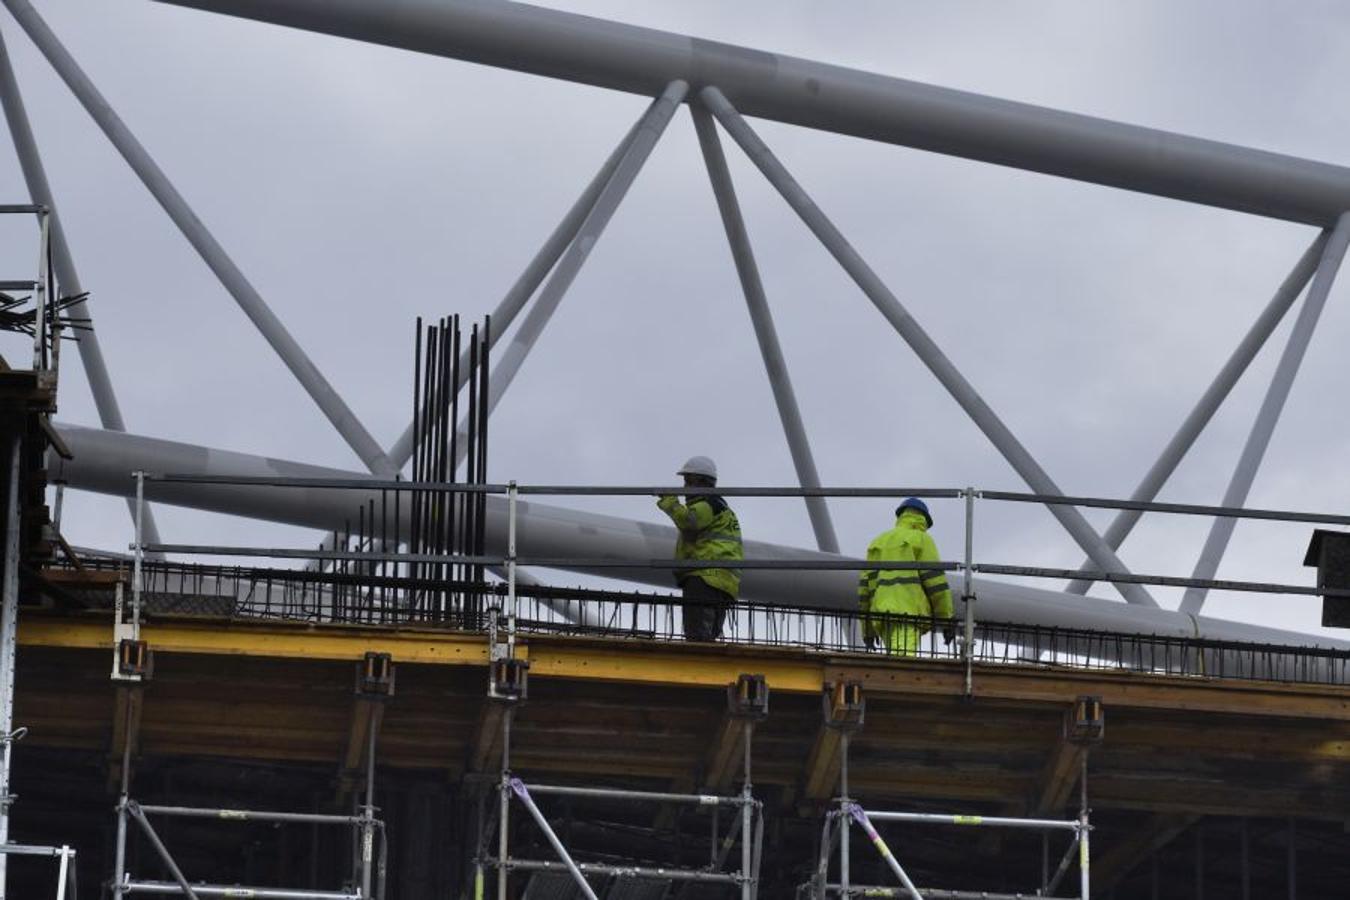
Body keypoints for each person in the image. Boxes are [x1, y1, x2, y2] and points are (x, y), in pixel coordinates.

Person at [656, 456, 743, 641]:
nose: (685, 487)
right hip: (723, 582)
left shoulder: (707, 504)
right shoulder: (721, 507)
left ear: (703, 482)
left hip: (704, 577)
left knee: (697, 637)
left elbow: (689, 522)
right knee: (707, 637)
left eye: (689, 481)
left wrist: (669, 501)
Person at [857, 497, 955, 655]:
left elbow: (864, 592)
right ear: (923, 519)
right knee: (903, 663)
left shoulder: (877, 542)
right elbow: (936, 584)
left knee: (894, 661)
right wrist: (947, 621)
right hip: (908, 615)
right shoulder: (921, 539)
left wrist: (867, 631)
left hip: (881, 617)